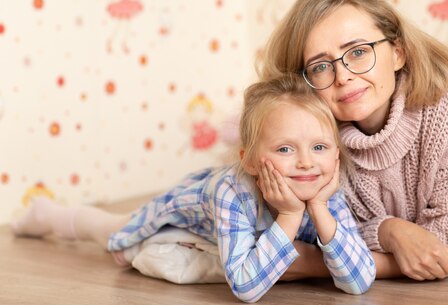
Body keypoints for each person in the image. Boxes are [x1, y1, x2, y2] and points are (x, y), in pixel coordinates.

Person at [12, 74, 375, 303]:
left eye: (319, 147)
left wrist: (320, 213)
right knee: (116, 235)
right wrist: (294, 213)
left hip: (224, 239)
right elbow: (247, 288)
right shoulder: (233, 191)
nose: (306, 162)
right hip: (181, 220)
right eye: (284, 149)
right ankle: (49, 216)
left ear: (336, 156)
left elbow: (359, 282)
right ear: (249, 160)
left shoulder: (326, 189)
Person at [261, 0, 448, 281]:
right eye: (320, 66)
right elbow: (300, 234)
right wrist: (390, 232)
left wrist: (316, 265)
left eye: (358, 52)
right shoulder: (307, 138)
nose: (343, 76)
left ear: (397, 53)